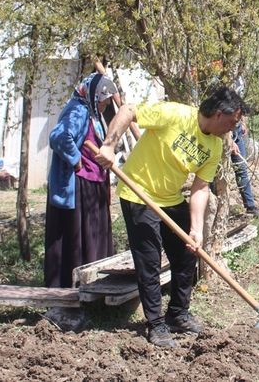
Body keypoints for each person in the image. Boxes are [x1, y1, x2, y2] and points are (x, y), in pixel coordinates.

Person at [95, 86, 247, 348]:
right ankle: (155, 324)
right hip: (138, 193)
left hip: (170, 198)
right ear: (220, 114)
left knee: (187, 254)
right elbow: (128, 110)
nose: (232, 129)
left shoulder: (214, 145)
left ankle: (178, 313)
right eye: (232, 122)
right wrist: (109, 145)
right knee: (150, 262)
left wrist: (197, 229)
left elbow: (200, 187)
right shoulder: (176, 114)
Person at [45, 73, 118, 288]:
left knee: (92, 235)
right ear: (95, 96)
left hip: (93, 184)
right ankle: (72, 286)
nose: (105, 105)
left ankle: (94, 283)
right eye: (104, 101)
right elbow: (59, 136)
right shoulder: (77, 109)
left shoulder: (91, 112)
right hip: (79, 185)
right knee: (77, 238)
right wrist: (76, 161)